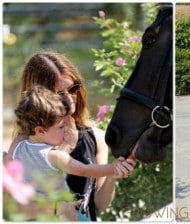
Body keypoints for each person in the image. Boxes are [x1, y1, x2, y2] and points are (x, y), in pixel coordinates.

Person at [5, 50, 136, 221]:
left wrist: (113, 174)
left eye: (73, 88)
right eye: (59, 94)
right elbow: (8, 207)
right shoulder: (23, 144)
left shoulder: (95, 137)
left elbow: (99, 205)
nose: (70, 98)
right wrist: (54, 208)